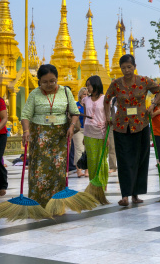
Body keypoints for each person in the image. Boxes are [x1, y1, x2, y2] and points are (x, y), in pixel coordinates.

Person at [104, 54, 160, 206]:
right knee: (124, 160)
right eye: (123, 68)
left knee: (140, 160)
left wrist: (152, 105)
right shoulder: (116, 83)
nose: (126, 70)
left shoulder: (143, 81)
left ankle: (135, 195)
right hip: (121, 126)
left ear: (134, 67)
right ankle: (125, 195)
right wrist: (107, 117)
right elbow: (106, 99)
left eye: (129, 67)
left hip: (141, 124)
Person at [21, 64, 80, 207]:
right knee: (39, 170)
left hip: (60, 135)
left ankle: (56, 204)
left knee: (58, 169)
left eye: (52, 81)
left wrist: (72, 126)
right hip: (39, 135)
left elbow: (74, 112)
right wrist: (26, 131)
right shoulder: (34, 94)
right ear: (39, 81)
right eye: (45, 82)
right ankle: (38, 203)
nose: (49, 84)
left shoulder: (65, 91)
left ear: (57, 79)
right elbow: (25, 115)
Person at [83, 76, 108, 188]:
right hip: (88, 132)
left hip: (101, 132)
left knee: (101, 160)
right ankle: (93, 185)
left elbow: (107, 118)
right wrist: (84, 134)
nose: (88, 87)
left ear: (96, 84)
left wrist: (107, 136)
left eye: (89, 85)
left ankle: (102, 184)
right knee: (92, 160)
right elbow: (84, 118)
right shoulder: (85, 100)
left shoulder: (105, 99)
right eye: (87, 85)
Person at [74, 87, 88, 178]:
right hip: (79, 129)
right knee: (79, 149)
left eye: (87, 94)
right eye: (84, 94)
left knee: (87, 150)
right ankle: (79, 169)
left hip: (89, 129)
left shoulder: (90, 104)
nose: (86, 96)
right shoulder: (76, 105)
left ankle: (87, 170)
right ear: (80, 95)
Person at [108, 98, 118, 173]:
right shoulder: (111, 108)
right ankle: (113, 166)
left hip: (122, 128)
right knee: (111, 146)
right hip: (112, 127)